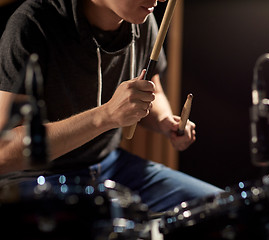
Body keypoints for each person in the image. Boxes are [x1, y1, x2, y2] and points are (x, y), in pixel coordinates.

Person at [0, 0, 222, 213]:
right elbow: (5, 152)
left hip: (111, 167)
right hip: (37, 180)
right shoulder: (33, 23)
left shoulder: (142, 19)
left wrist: (164, 120)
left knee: (222, 212)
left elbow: (152, 89)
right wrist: (106, 116)